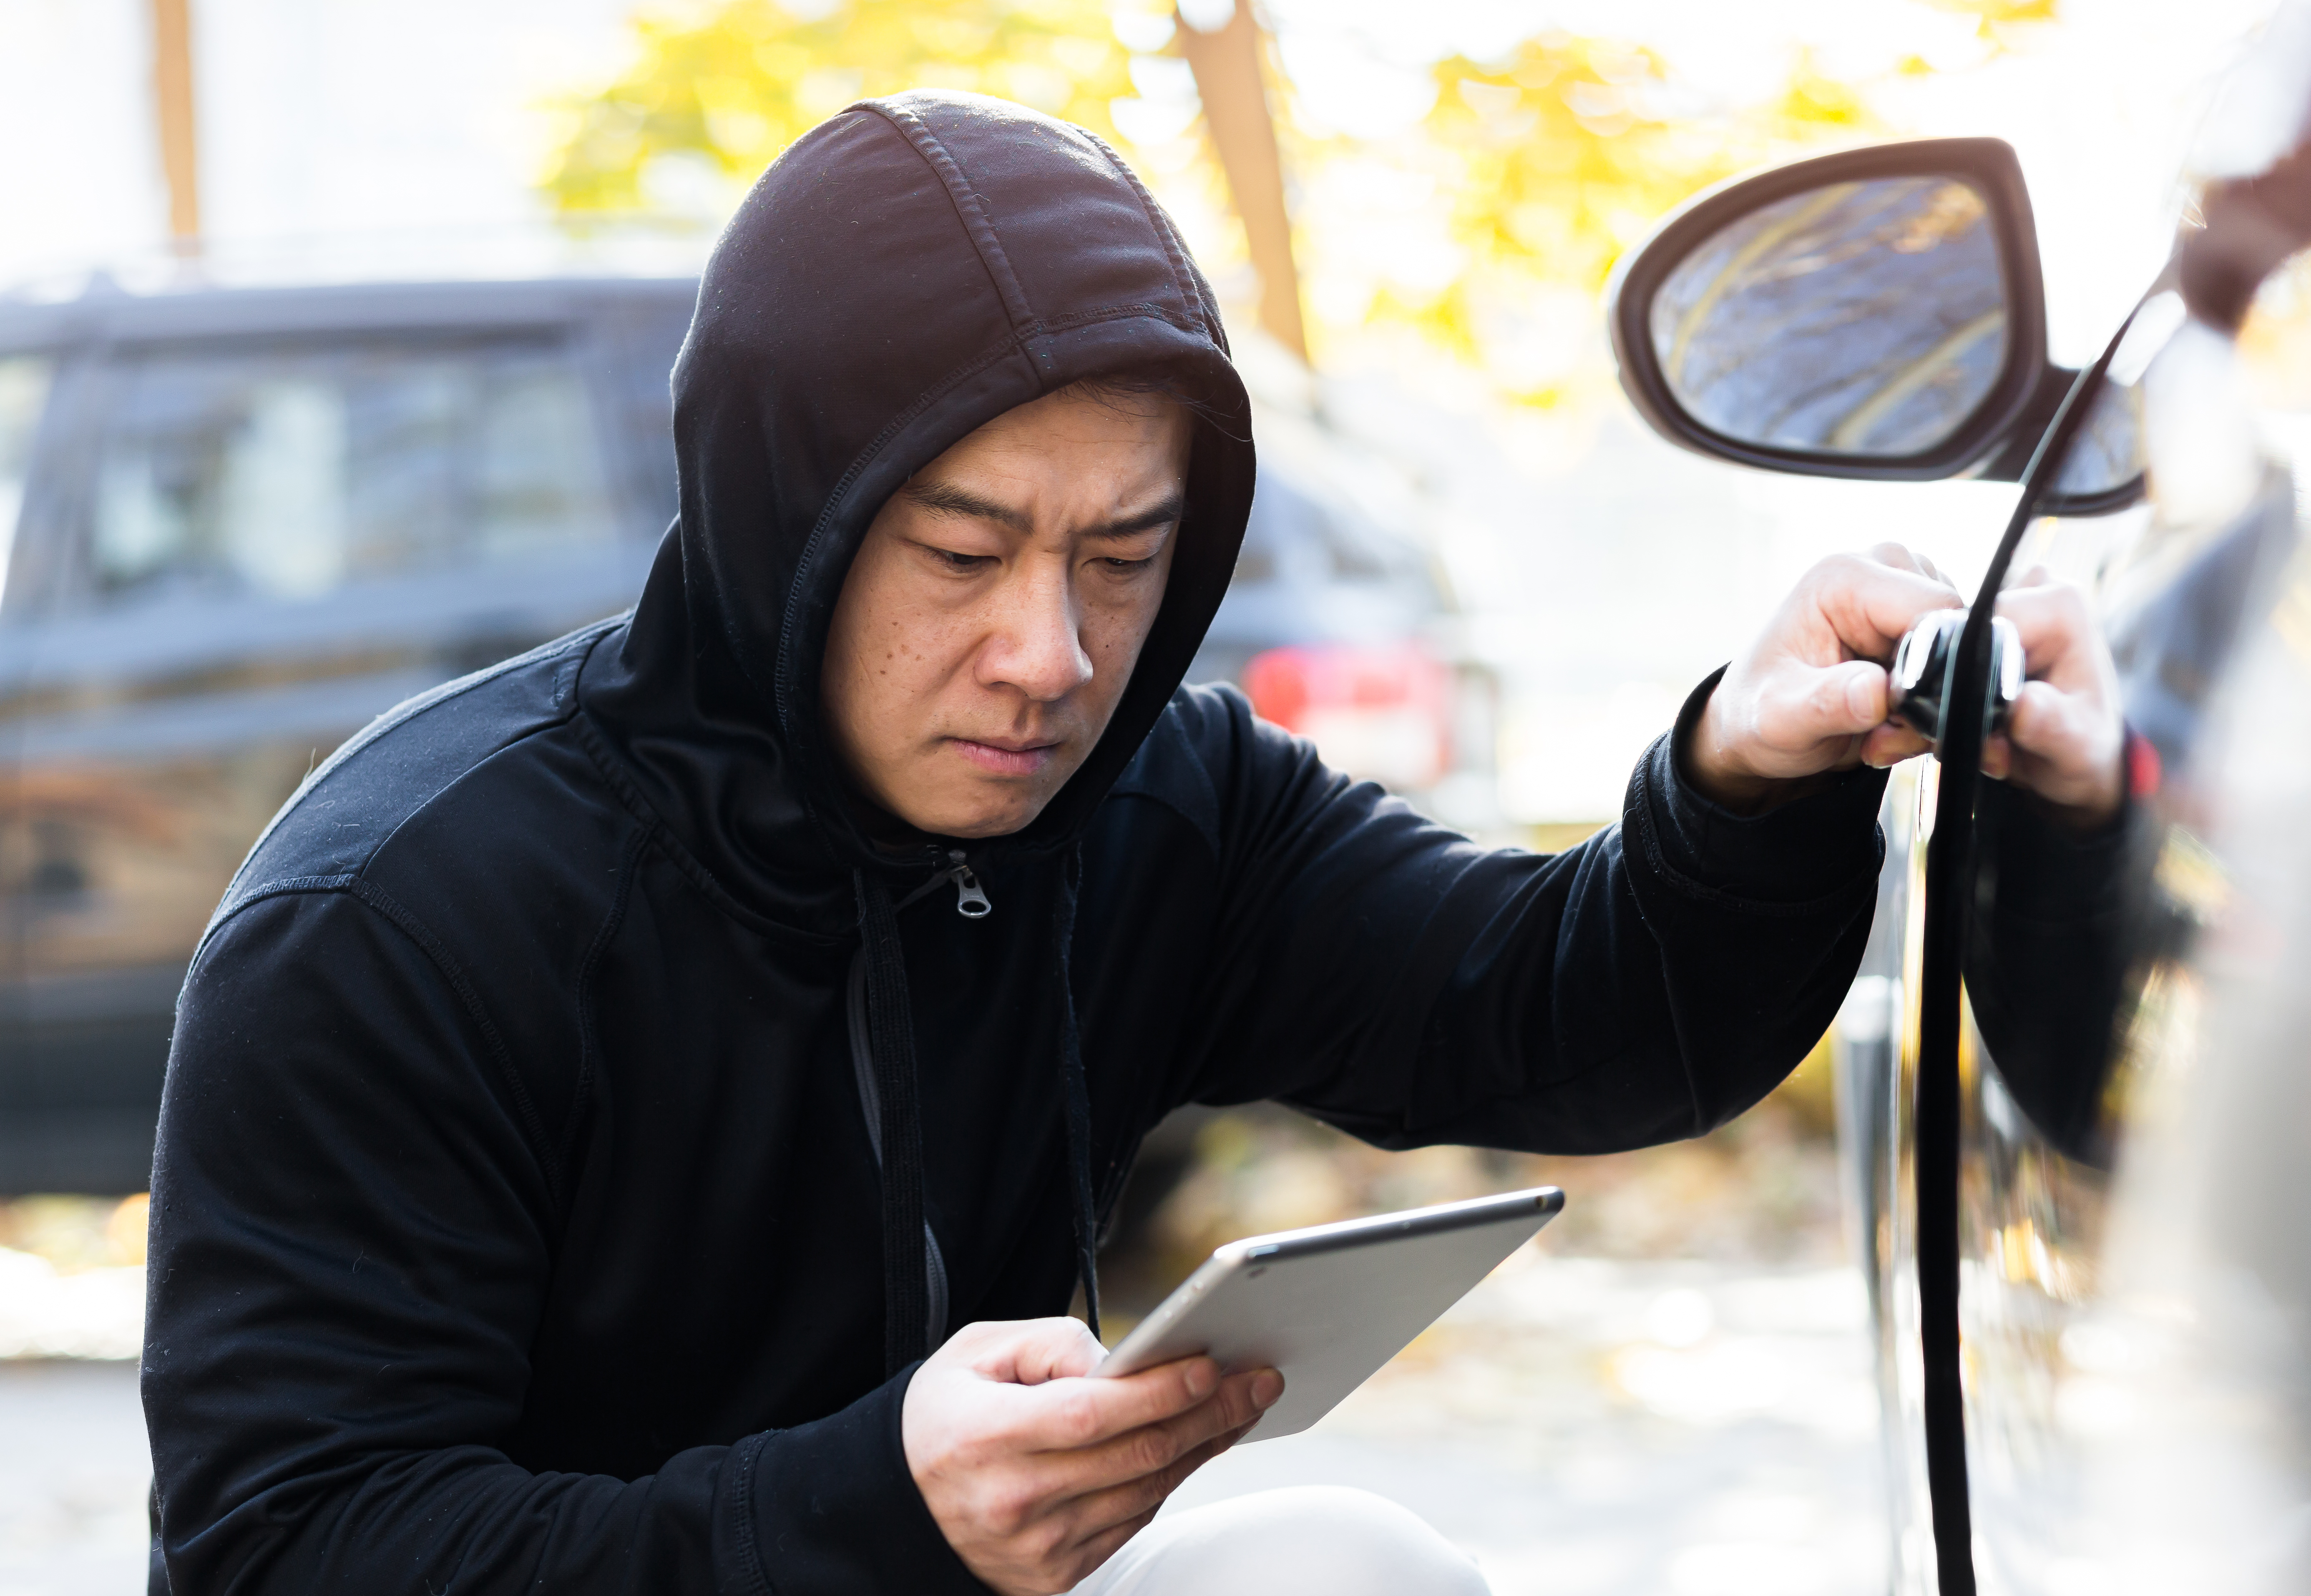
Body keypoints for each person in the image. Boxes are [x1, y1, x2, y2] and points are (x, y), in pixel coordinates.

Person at [141, 91, 2123, 1596]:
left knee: (1358, 1568)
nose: (1048, 657)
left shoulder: (1149, 804)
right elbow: (286, 1548)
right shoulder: (398, 914)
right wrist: (861, 1512)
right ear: (781, 512)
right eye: (962, 552)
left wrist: (1743, 777)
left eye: (1125, 557)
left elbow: (1563, 1017)